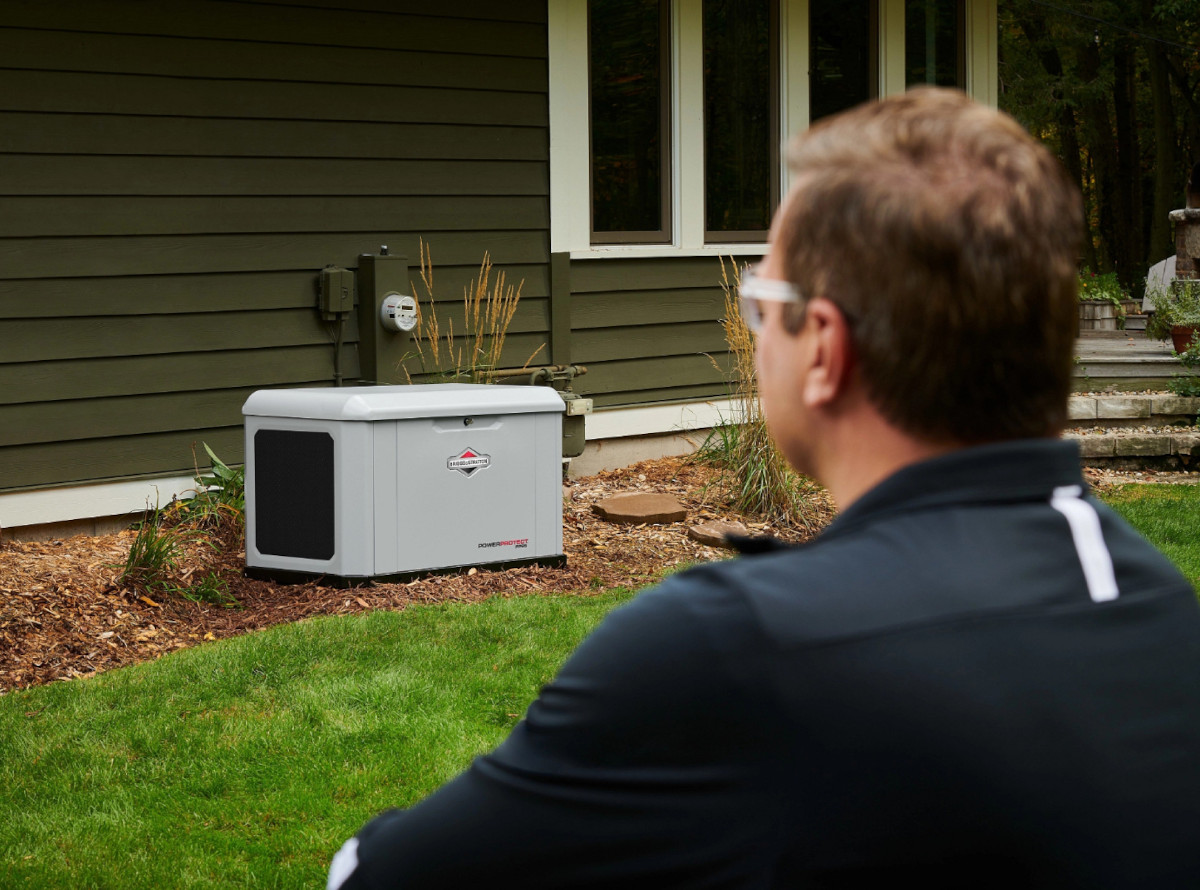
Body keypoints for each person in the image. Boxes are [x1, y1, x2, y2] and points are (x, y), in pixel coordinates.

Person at [328, 88, 1200, 888]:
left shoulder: (740, 645)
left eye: (761, 300)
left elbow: (374, 877)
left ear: (822, 347)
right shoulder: (1162, 610)